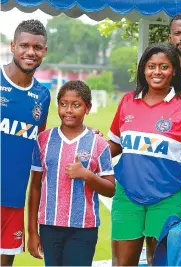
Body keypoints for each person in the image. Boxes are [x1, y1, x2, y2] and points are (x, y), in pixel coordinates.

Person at [108, 42, 181, 266]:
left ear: (173, 71)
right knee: (122, 263)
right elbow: (114, 145)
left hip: (168, 198)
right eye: (151, 66)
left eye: (164, 66)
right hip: (127, 196)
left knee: (160, 262)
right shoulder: (127, 102)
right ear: (143, 69)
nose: (157, 72)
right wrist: (86, 146)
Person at [27, 80, 115, 266]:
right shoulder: (43, 140)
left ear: (87, 108)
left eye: (76, 105)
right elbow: (35, 187)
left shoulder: (98, 144)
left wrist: (87, 175)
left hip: (83, 228)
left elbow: (110, 189)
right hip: (49, 226)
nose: (68, 110)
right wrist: (33, 231)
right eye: (63, 104)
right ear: (57, 105)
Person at [0, 20, 50, 266]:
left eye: (37, 47)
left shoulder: (42, 95)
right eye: (24, 46)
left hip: (14, 200)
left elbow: (39, 147)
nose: (30, 52)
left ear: (45, 51)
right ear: (12, 46)